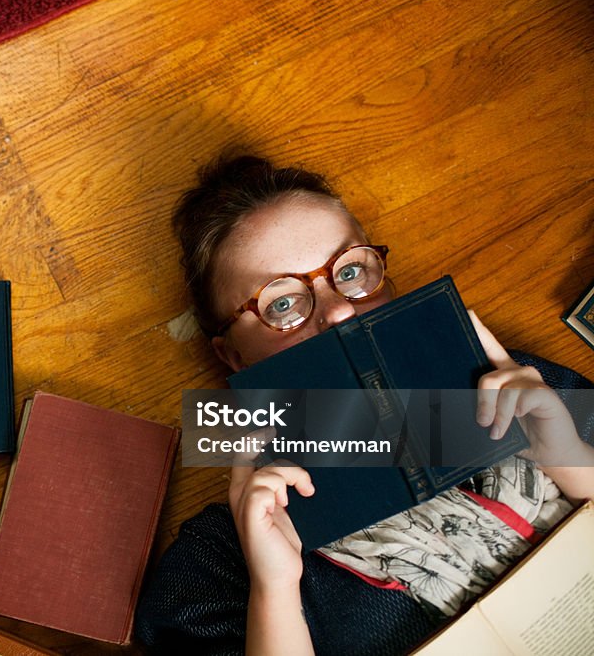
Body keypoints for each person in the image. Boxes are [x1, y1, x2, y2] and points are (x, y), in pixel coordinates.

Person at [134, 153, 594, 655]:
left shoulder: (505, 383)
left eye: (350, 269)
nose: (338, 310)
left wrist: (567, 458)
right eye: (281, 303)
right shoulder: (217, 560)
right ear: (232, 356)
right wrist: (277, 592)